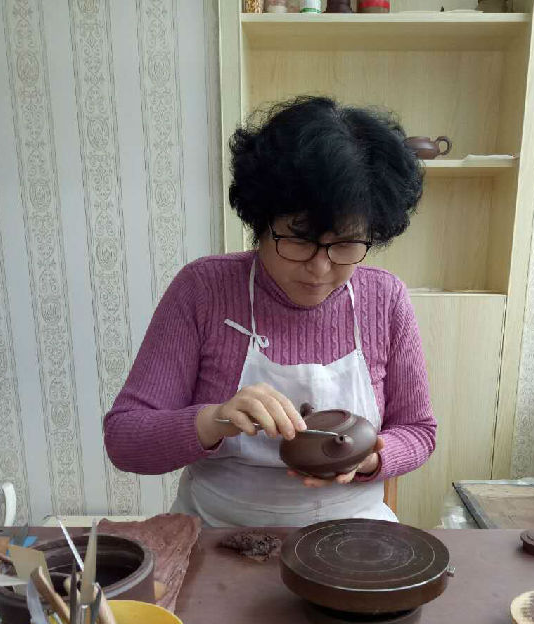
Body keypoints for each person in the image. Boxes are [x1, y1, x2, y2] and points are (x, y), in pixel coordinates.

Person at [104, 96, 436, 527]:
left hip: (352, 531)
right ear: (260, 223)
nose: (320, 268)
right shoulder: (203, 289)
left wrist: (370, 458)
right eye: (298, 240)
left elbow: (418, 430)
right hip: (217, 531)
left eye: (345, 244)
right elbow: (125, 439)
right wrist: (213, 419)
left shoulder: (385, 298)